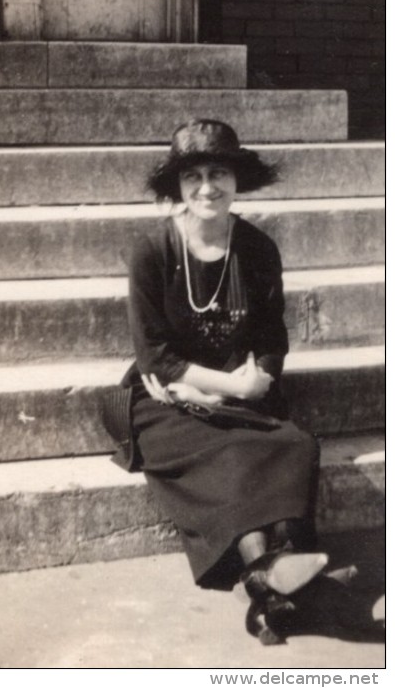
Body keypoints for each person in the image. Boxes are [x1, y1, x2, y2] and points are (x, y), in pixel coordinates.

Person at [106, 118, 330, 645]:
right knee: (226, 452)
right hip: (165, 398)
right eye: (194, 177)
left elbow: (273, 337)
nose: (207, 187)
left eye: (219, 173)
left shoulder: (256, 250)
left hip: (237, 390)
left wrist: (255, 382)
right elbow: (154, 356)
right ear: (178, 188)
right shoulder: (152, 252)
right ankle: (274, 575)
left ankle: (264, 585)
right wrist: (216, 388)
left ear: (237, 180)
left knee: (294, 445)